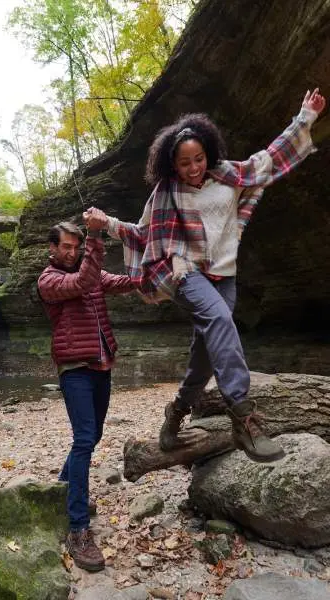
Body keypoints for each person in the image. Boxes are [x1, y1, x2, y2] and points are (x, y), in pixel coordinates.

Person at [84, 88, 326, 463]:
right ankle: (245, 417)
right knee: (218, 319)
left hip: (222, 275)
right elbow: (143, 233)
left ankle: (176, 412)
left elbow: (270, 159)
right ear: (172, 164)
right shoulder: (166, 193)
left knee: (205, 355)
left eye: (198, 159)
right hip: (183, 270)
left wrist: (304, 118)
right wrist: (108, 224)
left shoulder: (229, 175)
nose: (193, 167)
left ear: (208, 154)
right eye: (184, 163)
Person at [37, 220, 133, 572]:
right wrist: (95, 236)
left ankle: (63, 489)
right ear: (52, 248)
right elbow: (81, 282)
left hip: (101, 365)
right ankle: (77, 527)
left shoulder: (87, 271)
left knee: (94, 436)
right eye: (66, 246)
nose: (72, 252)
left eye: (77, 246)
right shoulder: (49, 280)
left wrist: (152, 277)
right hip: (74, 367)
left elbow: (117, 282)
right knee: (84, 438)